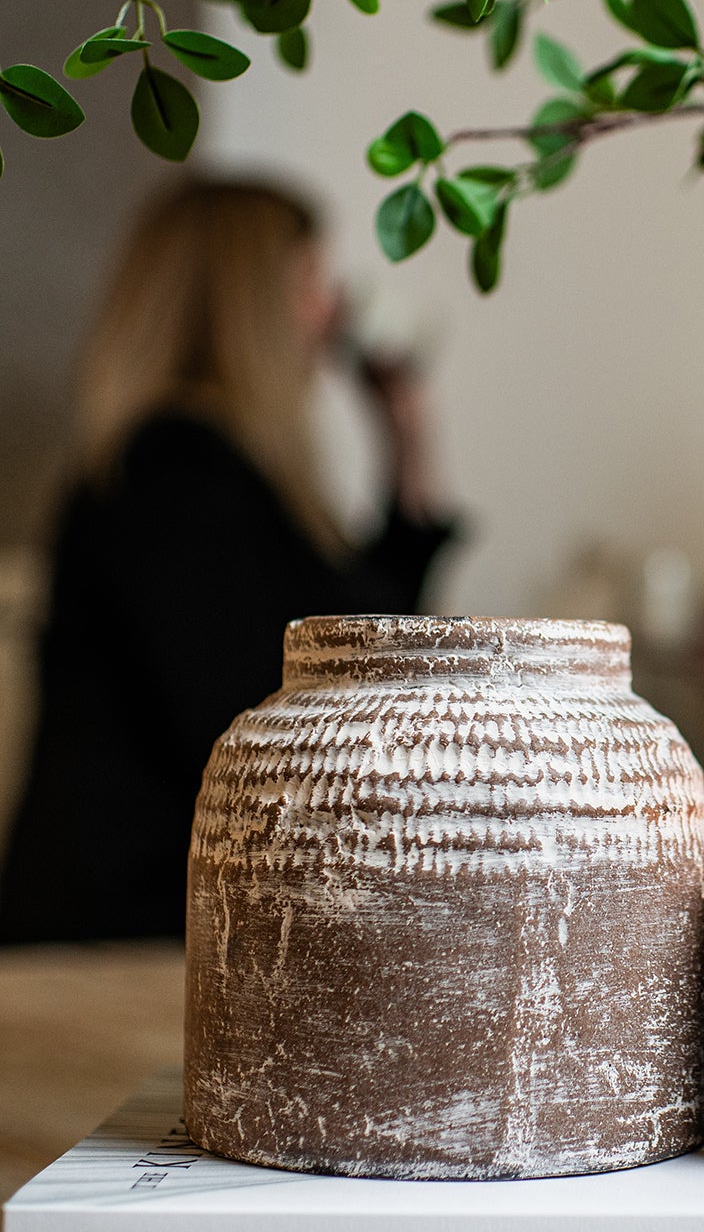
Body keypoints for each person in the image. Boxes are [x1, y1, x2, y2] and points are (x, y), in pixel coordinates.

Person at [0, 177, 457, 946]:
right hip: (119, 929)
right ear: (252, 303)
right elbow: (266, 714)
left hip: (163, 914)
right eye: (312, 280)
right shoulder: (173, 479)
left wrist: (404, 435)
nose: (331, 313)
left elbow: (371, 643)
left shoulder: (221, 475)